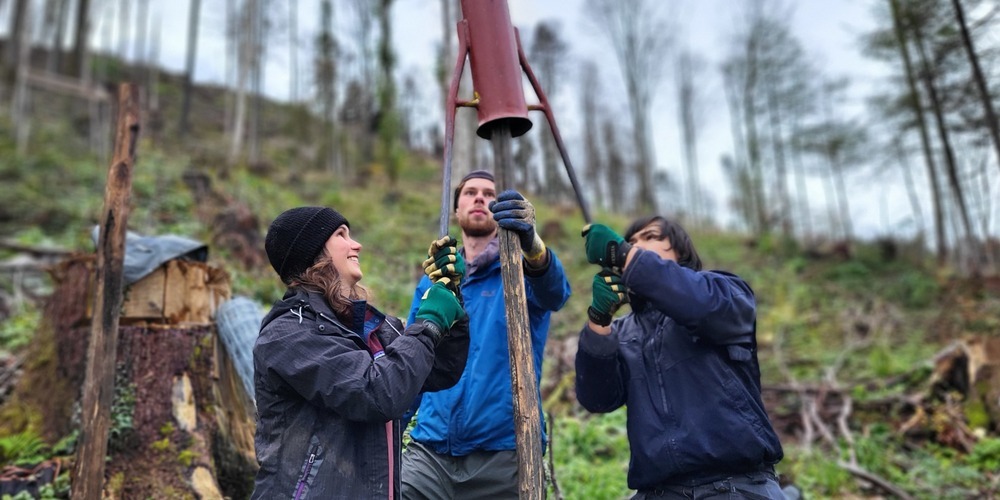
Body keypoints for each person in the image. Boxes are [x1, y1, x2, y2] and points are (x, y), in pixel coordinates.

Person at [251, 206, 470, 499]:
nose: (357, 244)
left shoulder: (373, 328)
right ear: (312, 253)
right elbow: (376, 392)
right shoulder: (288, 334)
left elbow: (440, 368)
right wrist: (429, 321)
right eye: (341, 235)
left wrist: (451, 300)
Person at [574, 216, 785, 499]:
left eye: (650, 237)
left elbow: (701, 304)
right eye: (631, 242)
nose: (637, 245)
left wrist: (624, 255)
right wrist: (599, 320)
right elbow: (597, 398)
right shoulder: (623, 331)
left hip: (738, 486)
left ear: (680, 252)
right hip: (658, 492)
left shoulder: (722, 290)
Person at [400, 170, 572, 499]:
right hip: (430, 454)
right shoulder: (436, 280)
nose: (480, 198)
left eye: (490, 193)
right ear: (456, 210)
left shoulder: (521, 273)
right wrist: (390, 427)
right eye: (470, 192)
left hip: (503, 455)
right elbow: (413, 359)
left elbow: (555, 294)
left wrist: (532, 245)